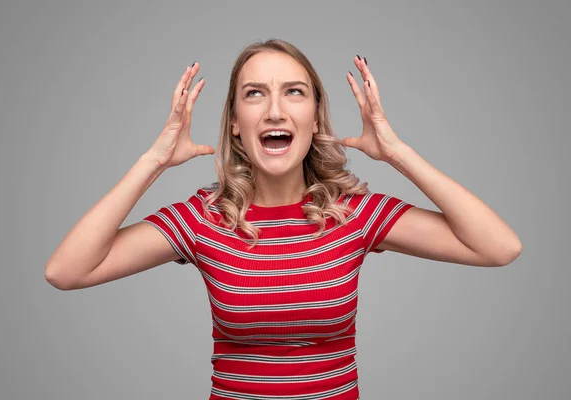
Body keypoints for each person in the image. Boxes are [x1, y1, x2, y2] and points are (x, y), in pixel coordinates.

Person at [45, 39, 522, 399]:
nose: (275, 110)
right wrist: (153, 160)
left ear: (315, 117)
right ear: (235, 120)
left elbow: (499, 247)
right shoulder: (204, 219)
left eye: (294, 92)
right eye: (255, 94)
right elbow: (67, 271)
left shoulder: (353, 215)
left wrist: (397, 153)